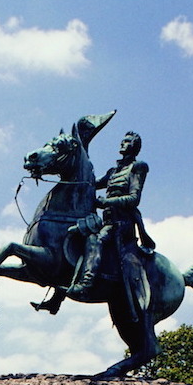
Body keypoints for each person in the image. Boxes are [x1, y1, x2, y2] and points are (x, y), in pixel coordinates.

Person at [65, 132, 154, 316]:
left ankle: (85, 284)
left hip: (121, 223)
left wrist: (106, 202)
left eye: (128, 141)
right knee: (76, 235)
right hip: (107, 220)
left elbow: (133, 198)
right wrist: (75, 167)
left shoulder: (138, 167)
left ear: (135, 147)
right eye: (122, 140)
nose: (123, 143)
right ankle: (57, 296)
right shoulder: (113, 171)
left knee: (95, 240)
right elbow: (90, 184)